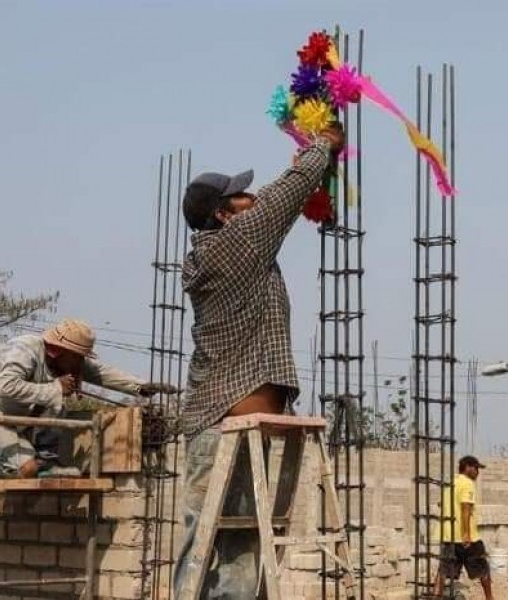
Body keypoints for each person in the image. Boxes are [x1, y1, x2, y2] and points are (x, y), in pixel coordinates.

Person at [172, 124, 345, 598]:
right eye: (239, 195)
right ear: (224, 214)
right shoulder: (238, 243)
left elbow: (270, 196)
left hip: (235, 426)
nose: (251, 196)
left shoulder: (229, 241)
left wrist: (304, 164)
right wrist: (322, 145)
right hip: (224, 424)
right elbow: (281, 197)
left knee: (237, 552)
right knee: (215, 554)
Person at [0, 318, 172, 480]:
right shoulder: (25, 349)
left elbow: (100, 373)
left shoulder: (66, 361)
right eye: (78, 357)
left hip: (14, 419)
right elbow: (7, 387)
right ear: (59, 351)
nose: (80, 363)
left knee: (57, 403)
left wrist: (140, 387)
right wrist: (55, 387)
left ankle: (46, 459)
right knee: (27, 469)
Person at [433, 455, 494, 600]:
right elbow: (465, 507)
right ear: (468, 467)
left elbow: (440, 504)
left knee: (443, 571)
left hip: (447, 536)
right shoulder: (467, 483)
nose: (478, 472)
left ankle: (435, 597)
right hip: (467, 538)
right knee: (483, 569)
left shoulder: (450, 483)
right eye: (476, 468)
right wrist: (466, 533)